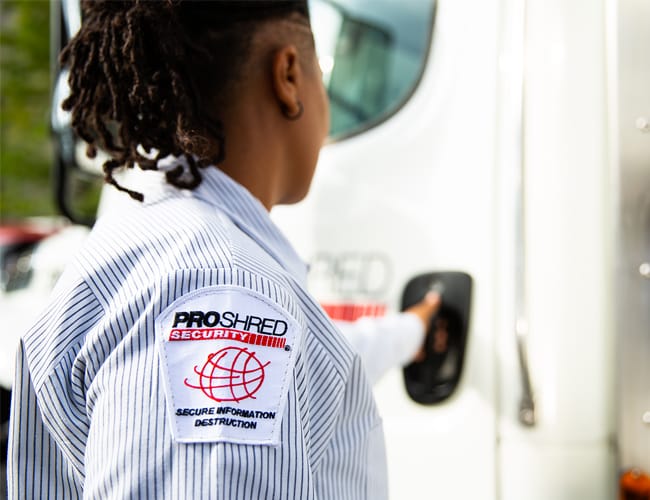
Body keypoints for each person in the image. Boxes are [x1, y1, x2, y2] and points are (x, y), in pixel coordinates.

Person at [7, 1, 437, 498]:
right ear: (289, 76)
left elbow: (312, 362)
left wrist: (412, 329)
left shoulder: (157, 247)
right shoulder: (220, 289)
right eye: (320, 73)